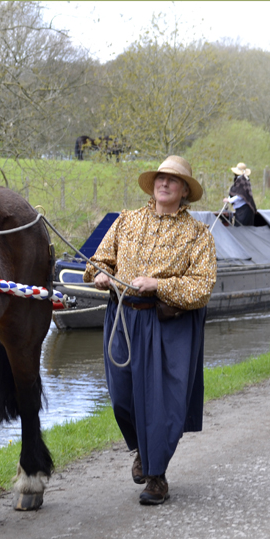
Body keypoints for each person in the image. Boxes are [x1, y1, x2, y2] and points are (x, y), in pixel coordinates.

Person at [82, 155, 217, 506]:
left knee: (161, 405)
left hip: (166, 324)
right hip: (123, 320)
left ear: (185, 190)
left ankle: (156, 477)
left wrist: (158, 284)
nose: (164, 183)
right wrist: (99, 274)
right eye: (160, 177)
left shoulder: (198, 235)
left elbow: (202, 287)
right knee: (122, 398)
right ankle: (142, 449)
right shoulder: (126, 221)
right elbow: (99, 259)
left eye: (173, 180)